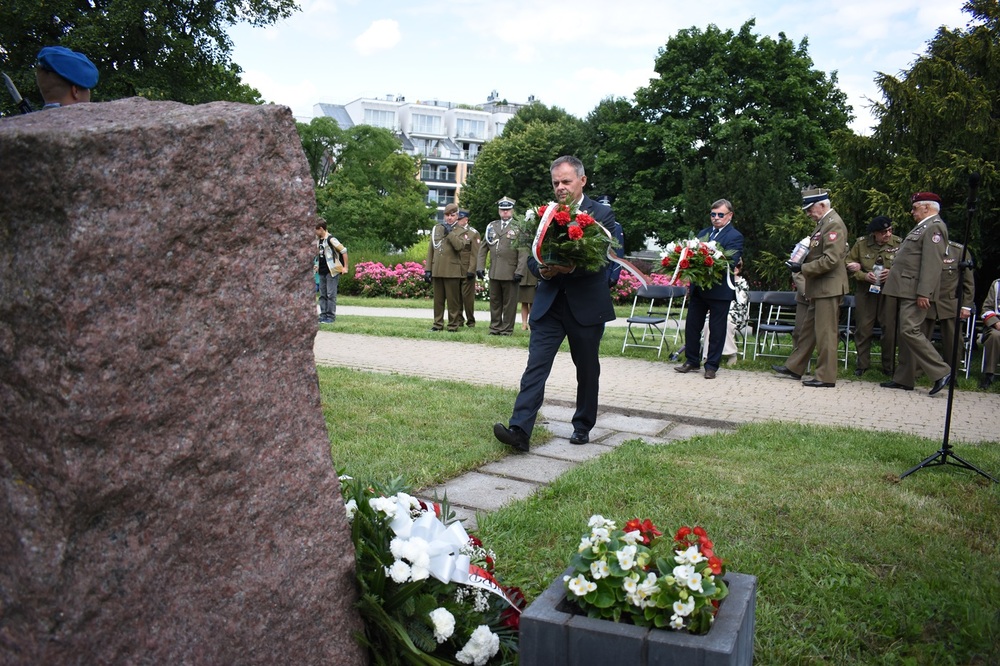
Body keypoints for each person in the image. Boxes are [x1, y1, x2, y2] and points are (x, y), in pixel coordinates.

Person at [493, 156, 623, 451]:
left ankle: (582, 425)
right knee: (535, 367)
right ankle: (520, 430)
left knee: (587, 369)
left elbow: (605, 257)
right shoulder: (544, 214)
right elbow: (531, 254)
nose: (560, 188)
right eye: (555, 183)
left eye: (566, 181)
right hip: (549, 304)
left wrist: (571, 268)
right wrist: (543, 269)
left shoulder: (602, 214)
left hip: (585, 306)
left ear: (582, 181)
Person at [772, 188, 849, 388]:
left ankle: (825, 377)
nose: (808, 213)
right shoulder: (824, 224)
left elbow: (831, 260)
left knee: (825, 333)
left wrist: (803, 268)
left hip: (828, 287)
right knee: (808, 330)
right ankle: (795, 366)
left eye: (810, 209)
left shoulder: (833, 225)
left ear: (822, 205)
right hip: (821, 287)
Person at [880, 192, 952, 395]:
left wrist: (925, 293)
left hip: (916, 291)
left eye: (915, 208)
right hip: (907, 289)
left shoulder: (934, 227)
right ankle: (904, 378)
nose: (912, 212)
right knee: (905, 332)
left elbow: (932, 264)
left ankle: (941, 371)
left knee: (910, 330)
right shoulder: (924, 227)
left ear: (927, 208)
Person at [675, 199, 745, 379]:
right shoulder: (703, 233)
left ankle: (711, 365)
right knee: (692, 326)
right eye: (713, 214)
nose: (716, 218)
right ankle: (691, 360)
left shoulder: (734, 236)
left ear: (730, 215)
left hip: (719, 290)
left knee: (716, 329)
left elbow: (732, 260)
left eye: (720, 215)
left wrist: (711, 259)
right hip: (699, 289)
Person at [845, 215, 901, 376]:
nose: (888, 234)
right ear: (874, 233)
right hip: (866, 292)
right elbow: (848, 263)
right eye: (883, 232)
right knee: (863, 328)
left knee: (889, 330)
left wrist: (892, 273)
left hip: (889, 292)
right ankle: (862, 364)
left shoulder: (898, 243)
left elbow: (907, 267)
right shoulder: (861, 244)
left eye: (890, 230)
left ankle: (888, 367)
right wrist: (863, 275)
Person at [477, 197, 524, 336]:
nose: (505, 212)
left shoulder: (519, 227)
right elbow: (483, 248)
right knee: (495, 301)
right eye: (502, 210)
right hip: (495, 271)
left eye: (507, 210)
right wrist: (480, 267)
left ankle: (507, 329)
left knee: (509, 303)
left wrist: (520, 270)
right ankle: (495, 327)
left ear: (512, 211)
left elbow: (523, 251)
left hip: (511, 271)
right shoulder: (492, 226)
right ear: (499, 211)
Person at [928, 241, 975, 368]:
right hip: (927, 301)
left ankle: (951, 373)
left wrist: (966, 306)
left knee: (953, 340)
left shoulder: (959, 251)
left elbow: (968, 282)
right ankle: (916, 371)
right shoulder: (925, 248)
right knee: (921, 337)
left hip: (950, 302)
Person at [425, 203, 468, 332]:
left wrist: (450, 233)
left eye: (452, 215)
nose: (449, 218)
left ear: (457, 216)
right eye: (447, 215)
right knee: (438, 300)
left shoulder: (461, 230)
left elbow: (460, 246)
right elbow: (431, 250)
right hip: (437, 269)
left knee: (452, 301)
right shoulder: (437, 228)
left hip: (452, 271)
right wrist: (428, 269)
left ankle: (453, 325)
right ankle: (437, 324)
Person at [314, 222, 348, 324]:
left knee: (330, 294)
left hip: (332, 271)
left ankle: (330, 317)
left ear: (320, 229)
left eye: (315, 230)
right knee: (322, 294)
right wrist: (317, 265)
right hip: (322, 271)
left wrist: (345, 267)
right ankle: (323, 315)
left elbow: (344, 251)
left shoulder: (331, 239)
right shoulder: (318, 241)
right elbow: (321, 255)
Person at [455, 210, 481, 328]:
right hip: (455, 268)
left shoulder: (473, 233)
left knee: (467, 298)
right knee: (456, 297)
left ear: (466, 219)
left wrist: (472, 269)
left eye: (461, 219)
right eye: (458, 219)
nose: (458, 221)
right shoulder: (453, 231)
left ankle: (471, 320)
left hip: (467, 269)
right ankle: (458, 320)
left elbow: (475, 254)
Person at [979, 278, 1000, 389]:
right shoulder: (997, 284)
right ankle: (989, 375)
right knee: (994, 336)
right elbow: (986, 308)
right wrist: (996, 323)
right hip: (997, 324)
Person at [518, 263, 538, 331]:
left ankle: (531, 323)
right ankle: (524, 324)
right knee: (524, 302)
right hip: (523, 278)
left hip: (533, 279)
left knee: (532, 303)